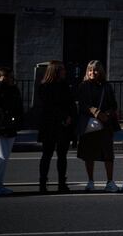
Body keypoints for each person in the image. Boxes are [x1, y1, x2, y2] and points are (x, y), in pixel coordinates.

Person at [77, 60, 120, 192]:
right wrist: (96, 112)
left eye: (95, 70)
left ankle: (110, 182)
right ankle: (90, 181)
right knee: (88, 153)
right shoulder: (83, 86)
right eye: (90, 70)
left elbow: (114, 104)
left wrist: (107, 113)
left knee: (108, 153)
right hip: (88, 124)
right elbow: (82, 104)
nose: (92, 72)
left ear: (100, 71)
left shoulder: (106, 86)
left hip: (105, 124)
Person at [37, 60, 77, 193]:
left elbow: (71, 104)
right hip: (50, 125)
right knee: (47, 155)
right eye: (62, 69)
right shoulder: (44, 87)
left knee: (62, 156)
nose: (65, 72)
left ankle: (61, 183)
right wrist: (63, 117)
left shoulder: (65, 85)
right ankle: (42, 183)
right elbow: (47, 107)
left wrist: (70, 117)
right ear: (55, 71)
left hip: (64, 126)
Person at [0, 67, 23, 196]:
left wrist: (19, 120)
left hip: (10, 126)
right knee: (1, 157)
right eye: (7, 77)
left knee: (6, 158)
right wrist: (0, 84)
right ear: (0, 77)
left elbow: (19, 106)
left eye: (11, 77)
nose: (10, 79)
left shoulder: (14, 89)